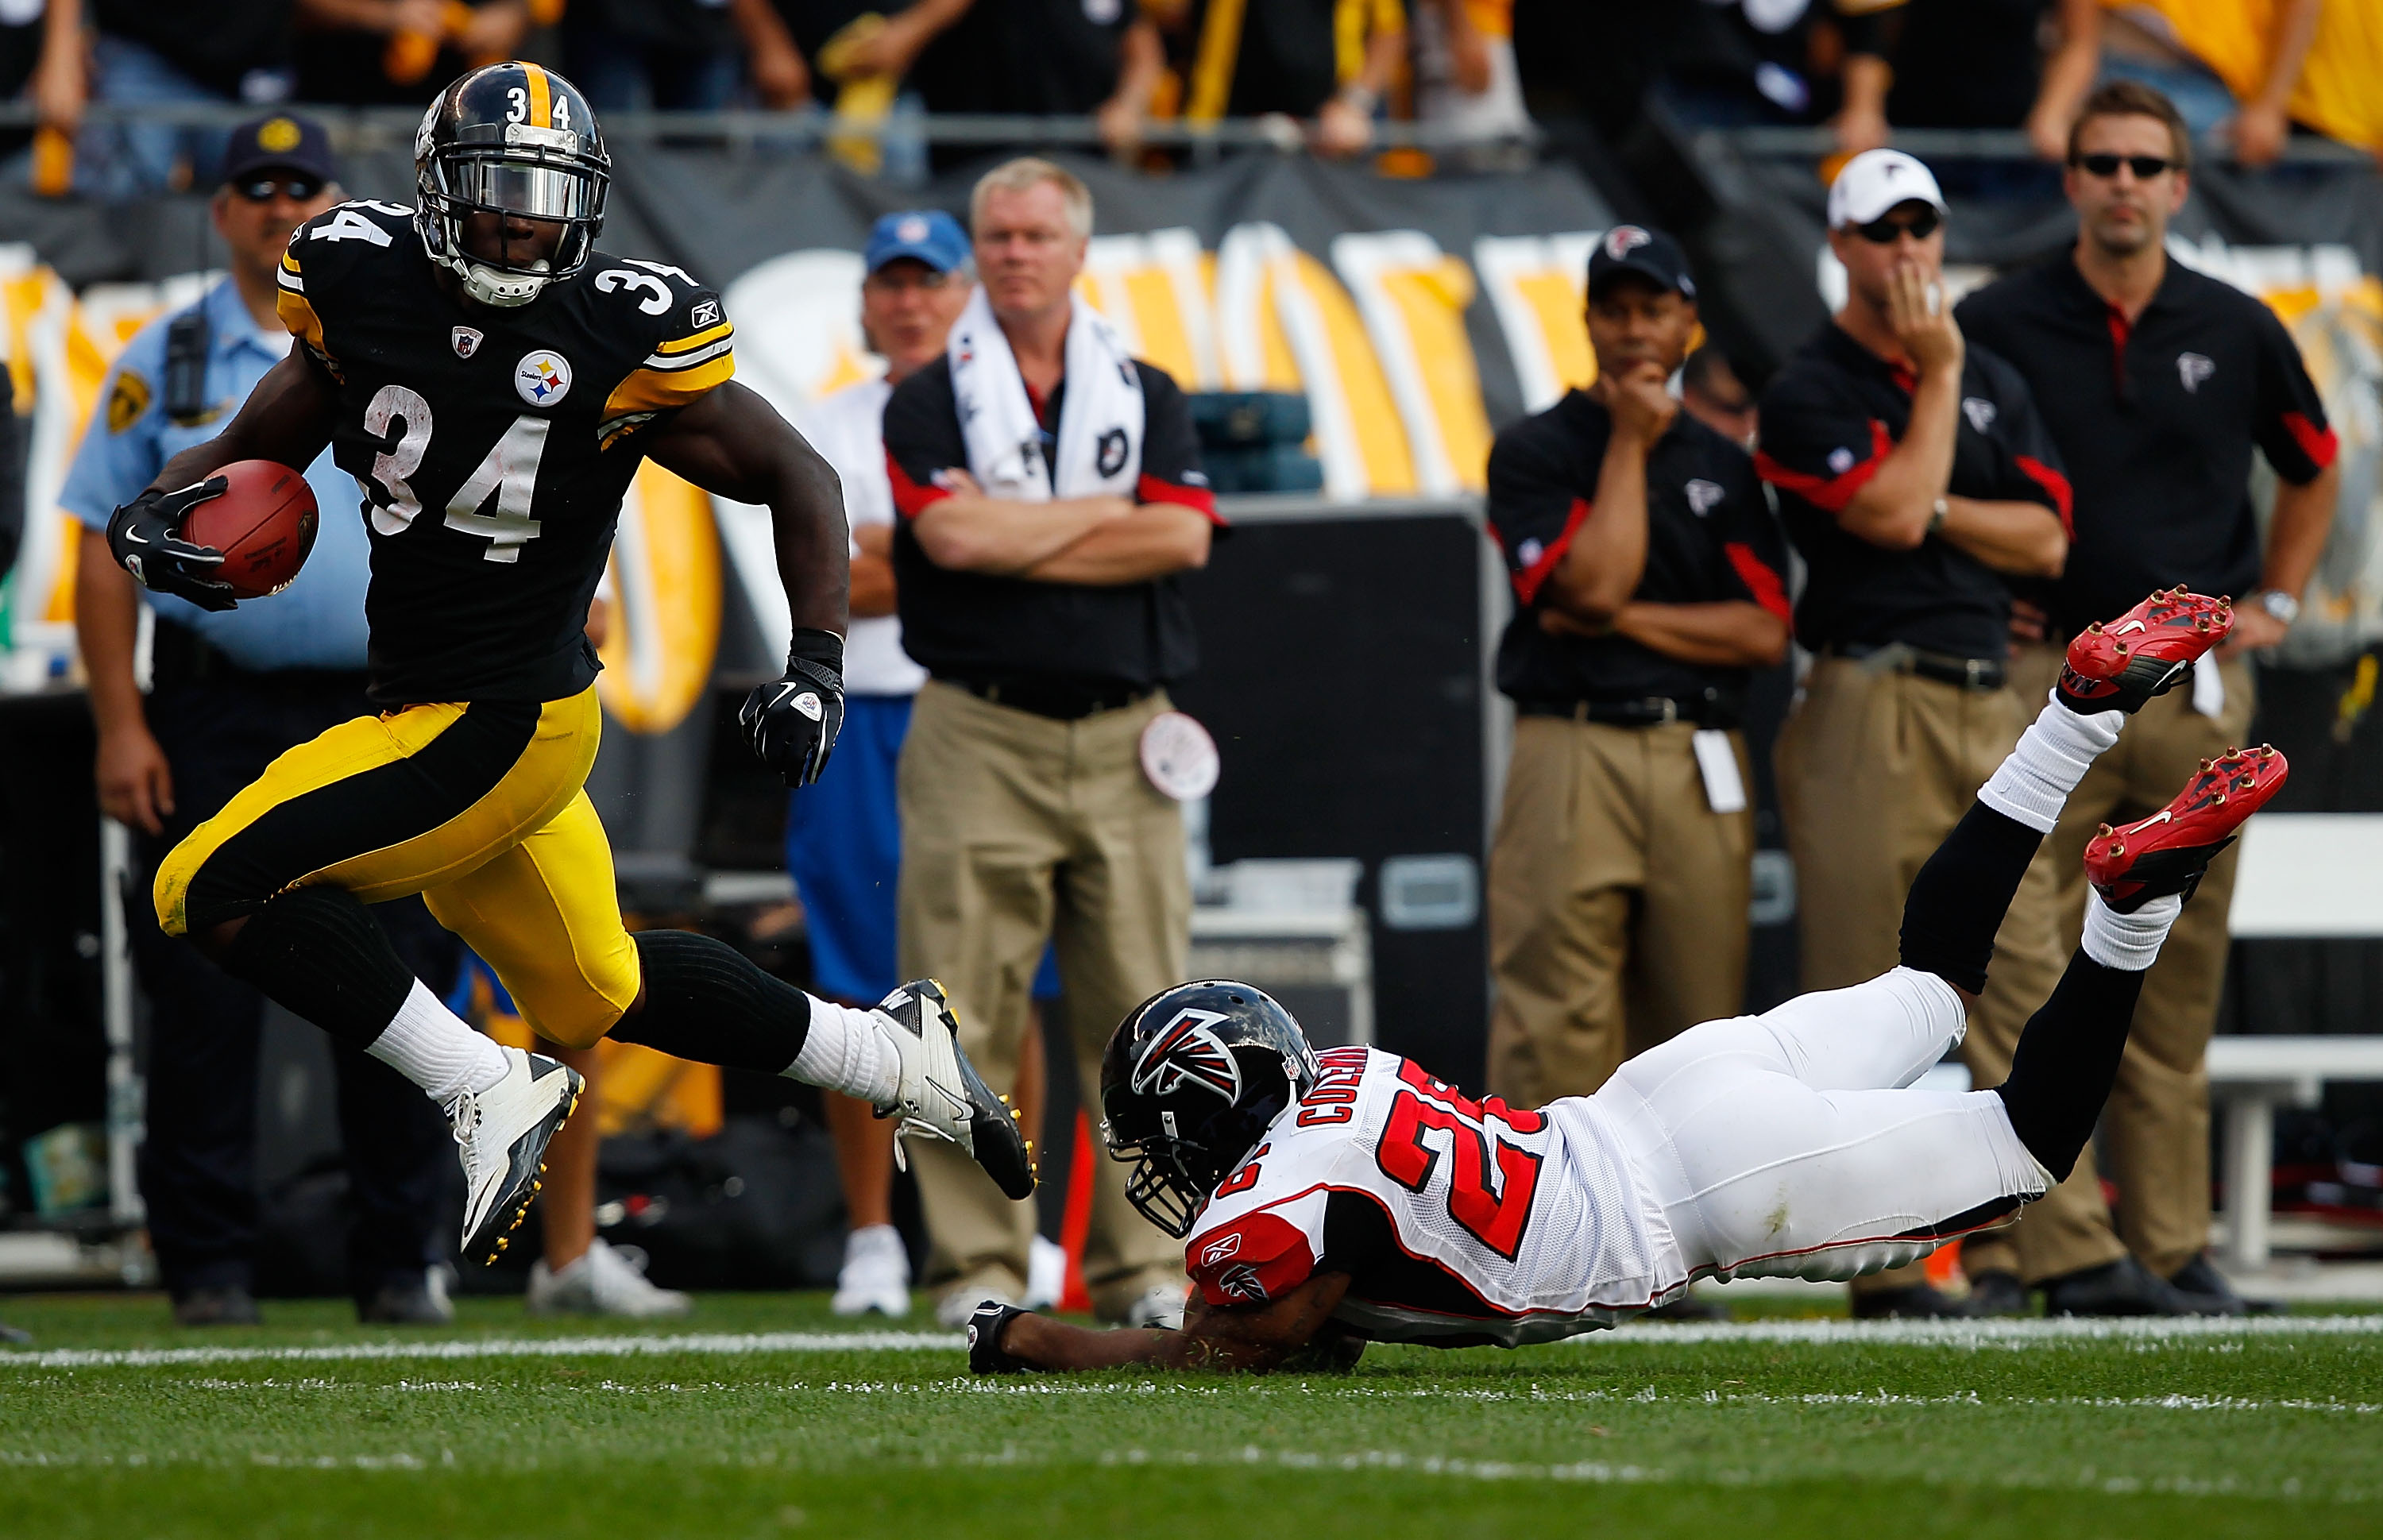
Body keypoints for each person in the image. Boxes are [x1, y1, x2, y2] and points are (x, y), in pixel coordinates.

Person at [97, 62, 1033, 1279]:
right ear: (435, 193)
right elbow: (293, 406)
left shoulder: (618, 325)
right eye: (494, 191)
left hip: (489, 716)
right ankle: (892, 1055)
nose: (521, 221)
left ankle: (481, 1083)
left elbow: (799, 473)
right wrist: (161, 505)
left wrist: (815, 661)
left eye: (545, 196)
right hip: (463, 707)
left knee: (203, 884)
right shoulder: (356, 273)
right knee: (602, 988)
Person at [963, 589, 2283, 1373]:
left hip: (1692, 1185)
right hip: (1659, 1096)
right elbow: (1329, 1314)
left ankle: (2130, 908)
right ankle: (2075, 715)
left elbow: (1233, 1346)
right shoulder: (1344, 1084)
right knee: (1933, 975)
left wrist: (1031, 1338)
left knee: (2026, 1141)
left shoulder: (1278, 1206)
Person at [62, 114, 465, 1328]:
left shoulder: (404, 335)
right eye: (259, 188)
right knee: (199, 989)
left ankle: (405, 1258)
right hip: (216, 707)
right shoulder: (167, 359)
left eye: (305, 187)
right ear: (224, 209)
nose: (282, 207)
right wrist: (122, 724)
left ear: (337, 202)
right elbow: (98, 543)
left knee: (399, 976)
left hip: (386, 694)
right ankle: (209, 1264)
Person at [1956, 80, 2339, 1314]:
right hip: (2052, 675)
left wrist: (2276, 596)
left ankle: (2171, 1245)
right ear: (2070, 179)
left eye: (2146, 163)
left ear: (2180, 184)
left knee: (2174, 974)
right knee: (2023, 961)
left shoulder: (2234, 323)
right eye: (2102, 160)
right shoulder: (2001, 316)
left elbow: (2315, 460)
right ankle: (2048, 1242)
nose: (2123, 182)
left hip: (2190, 682)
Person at [882, 156, 1218, 1329]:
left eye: (1036, 235)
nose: (1014, 252)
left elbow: (1181, 541)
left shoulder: (1147, 387)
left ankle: (1145, 1269)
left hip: (1127, 735)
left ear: (1080, 253)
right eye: (998, 235)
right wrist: (1100, 518)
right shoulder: (928, 397)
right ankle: (975, 1261)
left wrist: (1014, 526)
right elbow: (954, 540)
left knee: (1145, 1016)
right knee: (958, 1006)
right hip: (979, 726)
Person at [1755, 148, 2073, 1318]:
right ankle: (1883, 1261)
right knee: (1868, 992)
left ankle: (2053, 1253)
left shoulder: (1995, 373)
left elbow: (2046, 539)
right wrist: (1936, 382)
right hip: (1868, 695)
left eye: (1922, 229)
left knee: (2031, 965)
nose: (1907, 253)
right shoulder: (1812, 384)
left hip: (1992, 693)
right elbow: (1885, 519)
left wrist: (1937, 502)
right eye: (1881, 232)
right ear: (1839, 245)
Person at [1482, 225, 1789, 1117]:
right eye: (1612, 312)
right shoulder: (1537, 447)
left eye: (1652, 309)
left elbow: (1765, 632)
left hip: (1698, 750)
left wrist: (1618, 620)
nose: (1632, 331)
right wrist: (1626, 443)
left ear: (1688, 321)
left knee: (1698, 1032)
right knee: (1556, 1020)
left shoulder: (1724, 464)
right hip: (1571, 746)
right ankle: (1541, 1244)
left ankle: (1681, 1254)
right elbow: (1587, 587)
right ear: (1586, 324)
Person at [784, 209, 971, 1317]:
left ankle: (1001, 1215)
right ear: (865, 302)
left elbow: (994, 559)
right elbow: (833, 575)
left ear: (962, 298)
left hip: (969, 701)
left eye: (928, 282)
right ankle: (872, 1236)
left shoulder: (1001, 419)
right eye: (890, 283)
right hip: (857, 711)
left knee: (999, 975)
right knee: (857, 981)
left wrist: (923, 553)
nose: (907, 302)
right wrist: (959, 544)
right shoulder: (829, 422)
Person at [1173, 0, 1406, 158]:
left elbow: (1390, 29)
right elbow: (1171, 12)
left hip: (1324, 138)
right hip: (1226, 131)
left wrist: (1353, 103)